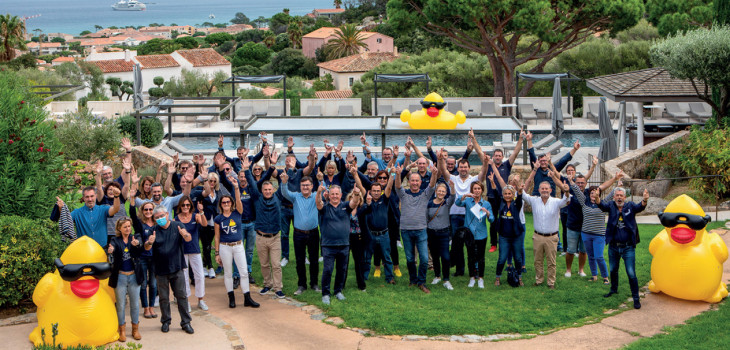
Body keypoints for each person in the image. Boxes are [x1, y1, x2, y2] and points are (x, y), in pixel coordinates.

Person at [471, 129, 525, 253]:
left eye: (500, 156)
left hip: (506, 197)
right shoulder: (489, 164)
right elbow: (479, 152)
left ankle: (505, 241)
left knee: (506, 219)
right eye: (496, 155)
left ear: (502, 157)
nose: (497, 157)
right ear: (493, 156)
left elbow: (515, 153)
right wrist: (473, 139)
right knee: (493, 220)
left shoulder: (507, 165)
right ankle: (493, 244)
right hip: (492, 197)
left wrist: (521, 138)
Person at [437, 145, 488, 278]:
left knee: (472, 243)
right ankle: (459, 269)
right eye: (461, 167)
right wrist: (441, 159)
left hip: (469, 216)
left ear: (469, 168)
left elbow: (483, 173)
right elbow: (443, 171)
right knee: (457, 244)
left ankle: (475, 269)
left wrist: (486, 162)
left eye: (466, 167)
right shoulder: (453, 179)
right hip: (454, 215)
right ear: (458, 168)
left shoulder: (473, 179)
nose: (463, 169)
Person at [145, 206, 195, 334]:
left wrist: (185, 235)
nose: (160, 219)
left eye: (162, 216)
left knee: (181, 296)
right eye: (157, 218)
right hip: (161, 269)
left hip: (177, 267)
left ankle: (186, 322)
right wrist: (149, 243)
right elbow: (146, 247)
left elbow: (188, 238)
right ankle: (166, 321)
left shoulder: (177, 225)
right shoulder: (153, 230)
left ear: (167, 214)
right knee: (164, 298)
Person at [214, 177, 260, 308]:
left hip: (238, 245)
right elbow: (217, 237)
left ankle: (247, 297)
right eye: (224, 202)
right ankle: (231, 298)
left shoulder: (237, 213)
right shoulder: (219, 218)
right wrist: (217, 253)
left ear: (231, 203)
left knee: (244, 272)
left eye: (228, 202)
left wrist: (236, 187)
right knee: (228, 273)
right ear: (221, 204)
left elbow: (239, 200)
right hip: (225, 247)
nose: (226, 204)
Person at [599, 188, 649, 309]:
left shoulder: (630, 206)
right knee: (613, 270)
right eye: (617, 195)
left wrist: (645, 200)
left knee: (631, 273)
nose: (619, 197)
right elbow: (601, 206)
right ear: (614, 197)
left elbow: (640, 207)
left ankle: (636, 298)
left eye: (621, 195)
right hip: (613, 247)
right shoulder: (611, 206)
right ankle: (613, 289)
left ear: (625, 197)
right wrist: (596, 198)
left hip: (628, 247)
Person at [244, 157, 286, 299]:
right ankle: (267, 284)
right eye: (265, 189)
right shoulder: (256, 197)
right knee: (264, 264)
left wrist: (273, 165)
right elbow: (251, 182)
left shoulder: (278, 197)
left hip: (274, 238)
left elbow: (281, 182)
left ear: (273, 189)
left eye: (269, 189)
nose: (267, 191)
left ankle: (278, 288)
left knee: (276, 264)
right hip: (261, 237)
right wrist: (246, 169)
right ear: (262, 190)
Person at [394, 161, 439, 294]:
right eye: (412, 180)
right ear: (409, 182)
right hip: (406, 231)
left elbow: (431, 185)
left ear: (420, 182)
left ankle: (422, 282)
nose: (414, 183)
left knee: (424, 259)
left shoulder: (425, 195)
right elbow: (397, 186)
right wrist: (398, 174)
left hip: (421, 231)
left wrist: (434, 174)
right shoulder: (404, 194)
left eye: (417, 181)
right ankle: (413, 280)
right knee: (409, 259)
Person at [522, 168, 570, 289]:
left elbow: (567, 199)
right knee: (537, 261)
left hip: (551, 237)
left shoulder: (556, 202)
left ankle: (551, 282)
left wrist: (566, 191)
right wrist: (522, 183)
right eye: (542, 188)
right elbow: (522, 194)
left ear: (550, 190)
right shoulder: (534, 200)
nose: (544, 190)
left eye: (546, 188)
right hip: (537, 236)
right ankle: (539, 280)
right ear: (538, 190)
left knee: (551, 262)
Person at [316, 184, 361, 304]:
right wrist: (318, 193)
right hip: (328, 246)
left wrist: (356, 193)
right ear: (329, 195)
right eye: (332, 194)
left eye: (337, 194)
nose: (335, 196)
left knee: (342, 270)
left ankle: (338, 291)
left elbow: (354, 203)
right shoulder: (325, 207)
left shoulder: (346, 206)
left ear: (341, 195)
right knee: (328, 270)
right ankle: (325, 293)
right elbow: (318, 204)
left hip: (344, 245)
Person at [280, 171, 322, 296]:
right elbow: (285, 192)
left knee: (314, 260)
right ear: (300, 186)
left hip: (313, 233)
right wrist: (284, 182)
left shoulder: (316, 195)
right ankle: (301, 285)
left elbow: (324, 193)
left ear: (312, 186)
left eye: (307, 185)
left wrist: (321, 180)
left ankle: (314, 284)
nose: (305, 187)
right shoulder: (295, 197)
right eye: (303, 185)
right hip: (299, 234)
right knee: (299, 260)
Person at [107, 218, 143, 342]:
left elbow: (140, 249)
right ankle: (122, 330)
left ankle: (135, 329)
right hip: (120, 276)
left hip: (134, 275)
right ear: (119, 229)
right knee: (121, 305)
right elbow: (112, 251)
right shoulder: (115, 240)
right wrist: (110, 251)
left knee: (135, 304)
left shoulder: (135, 237)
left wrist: (136, 245)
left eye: (129, 226)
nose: (128, 229)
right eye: (125, 227)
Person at [455, 181, 494, 288]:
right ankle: (472, 277)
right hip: (469, 234)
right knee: (471, 256)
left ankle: (481, 278)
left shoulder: (486, 204)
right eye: (475, 189)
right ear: (472, 190)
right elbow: (457, 203)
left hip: (481, 234)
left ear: (482, 190)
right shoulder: (468, 201)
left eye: (479, 189)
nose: (477, 191)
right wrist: (464, 195)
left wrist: (488, 213)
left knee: (481, 257)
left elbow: (492, 220)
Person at [175, 196, 210, 311]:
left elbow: (204, 224)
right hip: (182, 251)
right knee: (184, 277)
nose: (185, 207)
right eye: (183, 205)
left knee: (199, 275)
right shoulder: (176, 219)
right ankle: (187, 301)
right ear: (180, 206)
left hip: (194, 249)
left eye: (188, 205)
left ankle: (200, 299)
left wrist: (201, 212)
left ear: (190, 206)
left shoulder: (196, 216)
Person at [361, 176, 396, 285]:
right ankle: (364, 278)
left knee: (387, 257)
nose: (376, 193)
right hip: (370, 234)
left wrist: (392, 175)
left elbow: (389, 187)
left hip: (383, 234)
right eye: (374, 191)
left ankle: (390, 278)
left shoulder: (384, 200)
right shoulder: (367, 202)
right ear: (370, 192)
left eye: (378, 191)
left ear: (381, 192)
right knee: (367, 257)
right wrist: (368, 203)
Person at [129, 198, 158, 319]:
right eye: (145, 209)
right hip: (142, 257)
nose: (148, 211)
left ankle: (151, 306)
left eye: (150, 209)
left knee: (153, 283)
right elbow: (131, 213)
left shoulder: (157, 224)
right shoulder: (139, 224)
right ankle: (145, 307)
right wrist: (131, 198)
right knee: (143, 283)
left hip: (154, 257)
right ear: (142, 210)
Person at [426, 180, 456, 290]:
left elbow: (453, 196)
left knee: (445, 256)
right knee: (435, 256)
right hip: (432, 233)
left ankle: (446, 279)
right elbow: (426, 218)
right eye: (439, 191)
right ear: (436, 191)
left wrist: (452, 187)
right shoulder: (429, 204)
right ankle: (437, 276)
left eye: (443, 191)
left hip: (444, 233)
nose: (441, 193)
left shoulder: (446, 203)